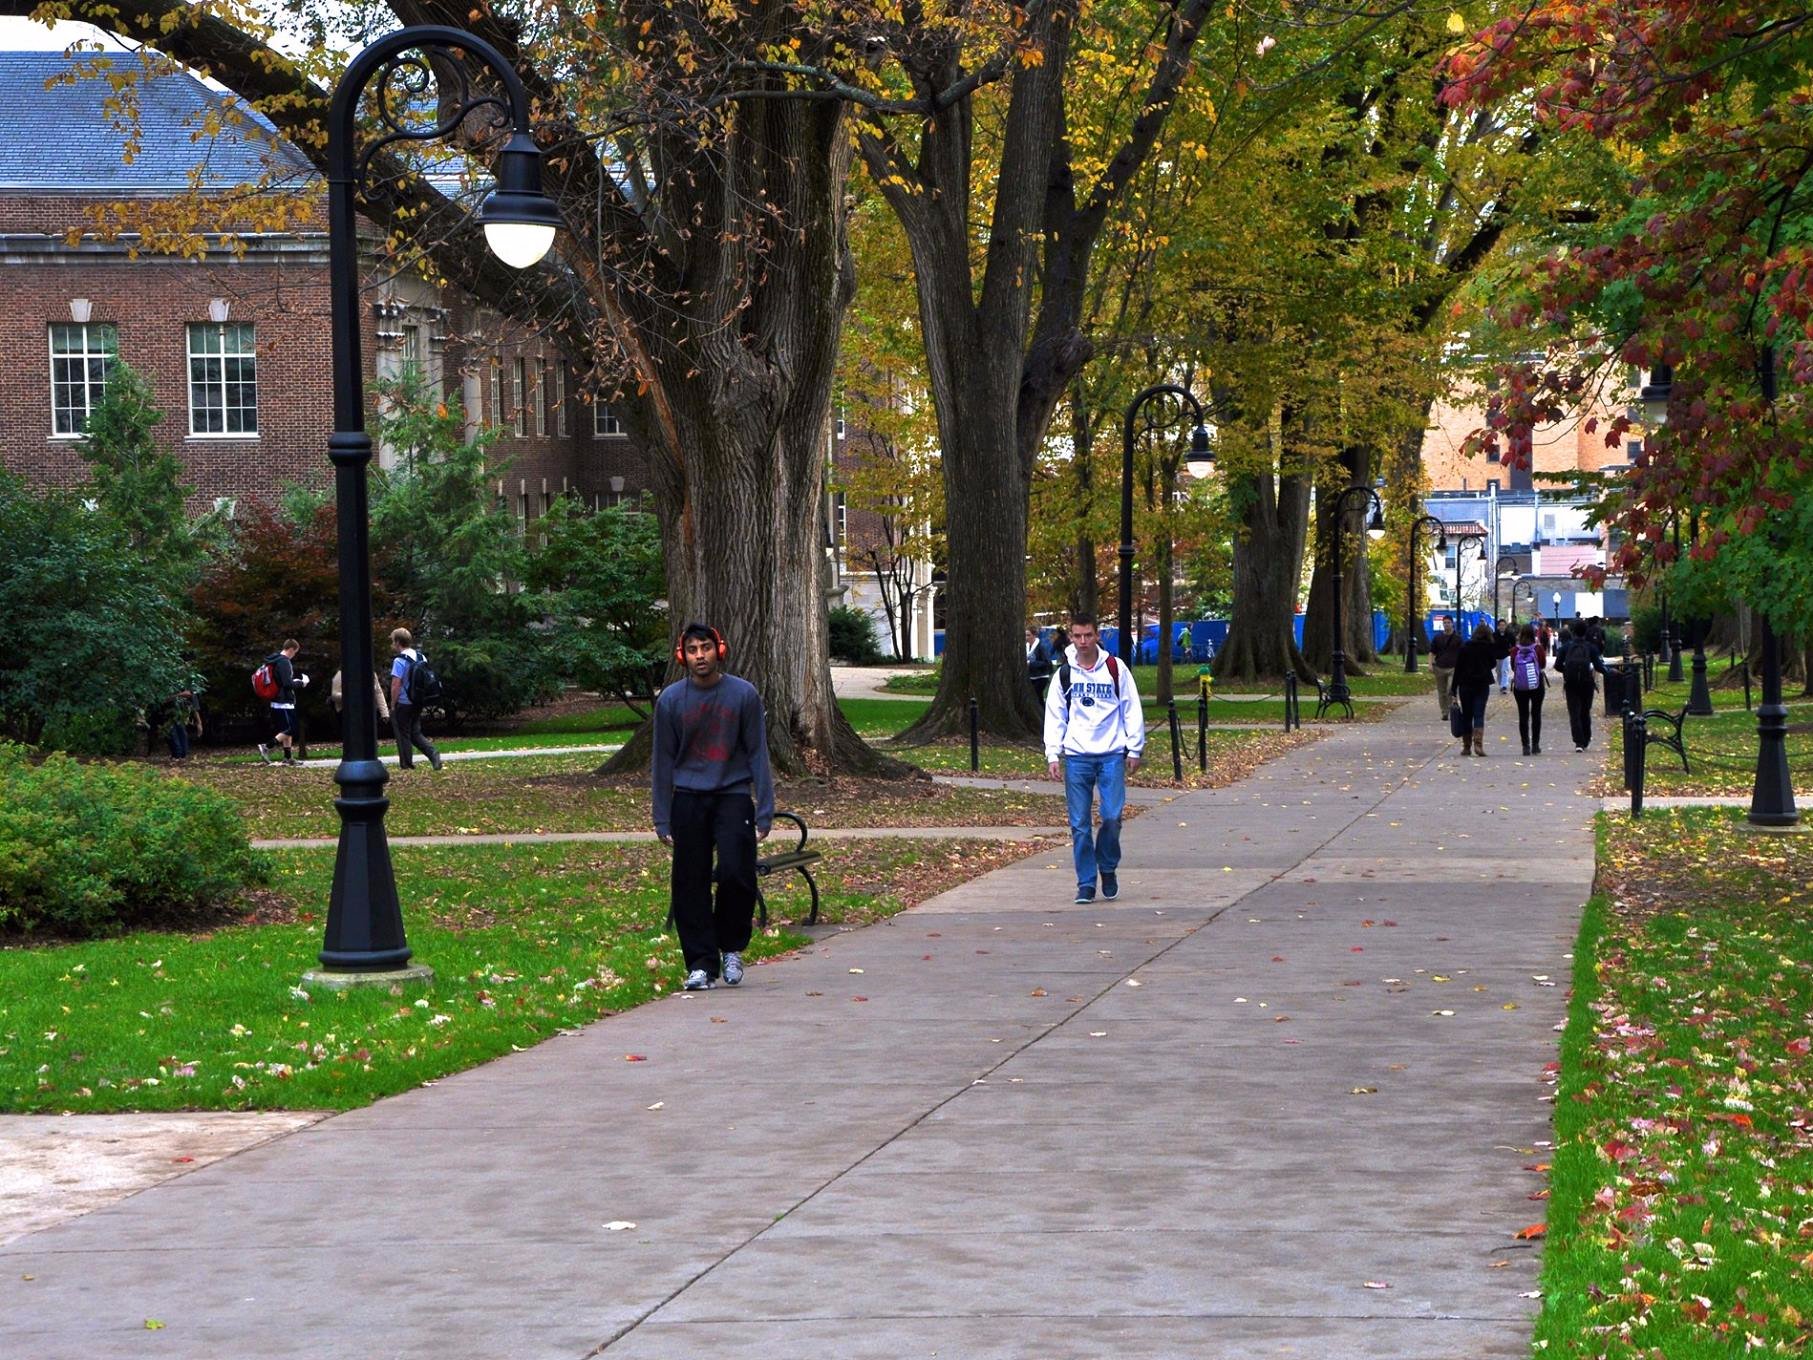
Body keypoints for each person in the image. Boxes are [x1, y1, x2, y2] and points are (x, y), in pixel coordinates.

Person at [652, 622, 775, 992]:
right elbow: (662, 761)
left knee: (738, 872)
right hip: (688, 797)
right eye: (692, 650)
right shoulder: (671, 701)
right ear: (682, 656)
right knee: (690, 880)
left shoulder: (743, 695)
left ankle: (731, 947)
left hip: (733, 795)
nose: (699, 655)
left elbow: (758, 752)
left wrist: (765, 808)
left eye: (705, 647)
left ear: (719, 650)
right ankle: (701, 964)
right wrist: (662, 816)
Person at [1044, 613, 1145, 904]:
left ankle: (1108, 866)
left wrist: (1134, 748)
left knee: (1112, 817)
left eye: (1088, 635)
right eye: (1077, 636)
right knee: (1080, 824)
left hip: (1111, 754)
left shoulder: (1115, 668)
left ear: (1097, 635)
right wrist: (1053, 753)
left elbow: (1131, 707)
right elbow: (1055, 716)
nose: (1083, 641)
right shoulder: (1064, 674)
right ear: (1071, 638)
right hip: (1077, 757)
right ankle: (1086, 882)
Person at [389, 629, 444, 772]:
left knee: (403, 734)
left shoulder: (399, 660)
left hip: (404, 701)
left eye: (393, 641)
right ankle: (433, 753)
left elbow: (396, 684)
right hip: (418, 701)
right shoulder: (421, 657)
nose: (392, 644)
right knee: (415, 732)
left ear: (398, 642)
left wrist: (393, 703)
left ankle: (406, 764)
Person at [1451, 622, 1510, 756]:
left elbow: (1458, 668)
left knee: (1467, 715)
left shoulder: (1465, 647)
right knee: (1479, 713)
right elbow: (1493, 663)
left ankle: (1466, 746)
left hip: (1465, 684)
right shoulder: (1488, 647)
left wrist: (1453, 689)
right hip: (1482, 684)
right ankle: (1478, 745)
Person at [1554, 620, 1606, 751]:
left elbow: (1557, 665)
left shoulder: (1566, 647)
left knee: (1574, 713)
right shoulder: (1590, 647)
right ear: (1585, 632)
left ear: (1573, 632)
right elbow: (1599, 666)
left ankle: (1578, 742)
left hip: (1571, 683)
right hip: (1587, 682)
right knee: (1585, 711)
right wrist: (1609, 672)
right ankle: (1586, 738)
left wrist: (1566, 671)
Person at [257, 638, 310, 765]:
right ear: (291, 649)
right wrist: (301, 683)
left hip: (277, 700)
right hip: (284, 701)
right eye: (295, 652)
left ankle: (288, 757)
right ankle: (267, 746)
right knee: (291, 729)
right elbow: (287, 684)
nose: (294, 655)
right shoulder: (284, 662)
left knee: (286, 729)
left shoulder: (274, 660)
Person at [1508, 623, 1548, 756]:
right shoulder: (1538, 649)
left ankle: (1525, 745)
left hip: (1520, 686)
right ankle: (1536, 745)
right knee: (1536, 714)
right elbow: (1542, 664)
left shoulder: (1515, 650)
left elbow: (1513, 667)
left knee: (1523, 715)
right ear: (1533, 634)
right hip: (1536, 684)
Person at [1431, 617, 1464, 719]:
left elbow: (1463, 653)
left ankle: (1451, 708)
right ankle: (1444, 712)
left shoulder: (1458, 638)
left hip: (1453, 668)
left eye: (1448, 623)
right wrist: (1430, 664)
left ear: (1452, 624)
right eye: (1445, 623)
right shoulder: (1437, 638)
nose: (1446, 625)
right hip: (1439, 667)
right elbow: (1432, 652)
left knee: (1450, 689)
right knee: (1441, 691)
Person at [163, 688, 201, 759]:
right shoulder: (169, 685)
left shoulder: (190, 687)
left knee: (184, 751)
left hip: (181, 719)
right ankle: (175, 762)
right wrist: (180, 695)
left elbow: (195, 708)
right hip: (167, 718)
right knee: (177, 750)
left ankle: (178, 762)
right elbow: (161, 700)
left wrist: (199, 723)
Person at [1026, 627, 1054, 699]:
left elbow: (1046, 662)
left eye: (1028, 635)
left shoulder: (1041, 647)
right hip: (1031, 677)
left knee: (1037, 697)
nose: (1026, 637)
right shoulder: (1026, 647)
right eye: (1025, 635)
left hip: (1041, 676)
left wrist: (1031, 664)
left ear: (1034, 635)